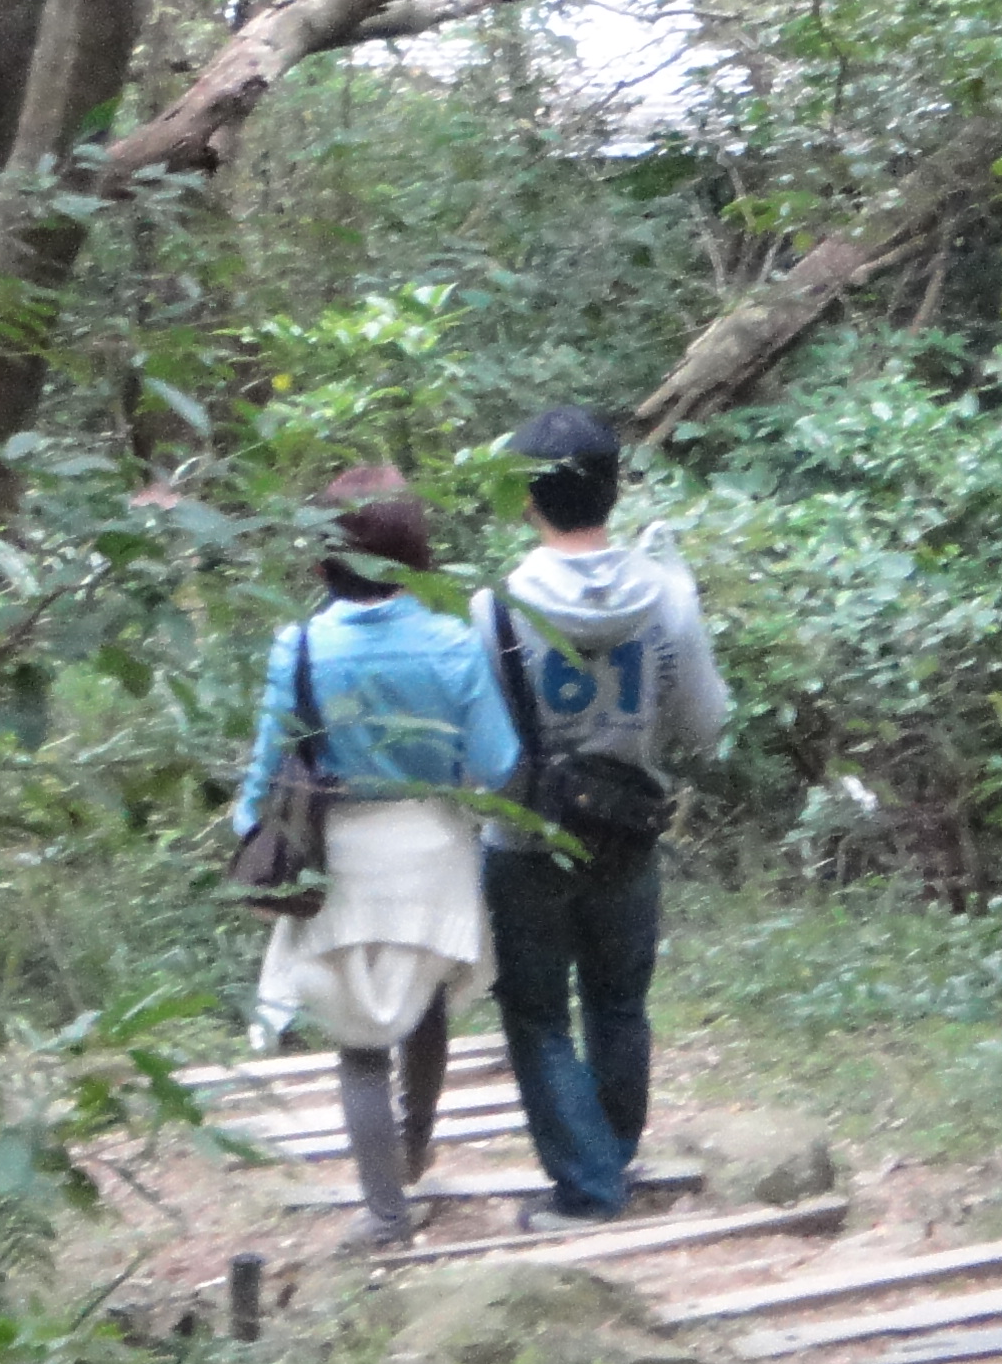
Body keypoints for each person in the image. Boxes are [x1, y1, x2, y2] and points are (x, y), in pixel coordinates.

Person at [233, 468, 523, 1252]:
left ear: (324, 561)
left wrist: (249, 843)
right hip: (431, 850)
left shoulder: (298, 649)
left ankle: (385, 1214)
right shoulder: (452, 645)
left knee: (360, 1041)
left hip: (338, 857)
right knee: (423, 1006)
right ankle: (416, 1149)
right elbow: (497, 763)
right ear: (416, 559)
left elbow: (266, 771)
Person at [471, 406, 726, 1228]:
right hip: (628, 825)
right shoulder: (667, 599)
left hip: (524, 835)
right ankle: (608, 1161)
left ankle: (588, 1189)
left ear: (525, 498)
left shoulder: (495, 609)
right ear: (615, 490)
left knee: (538, 1013)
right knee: (619, 1004)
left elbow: (477, 745)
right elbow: (705, 724)